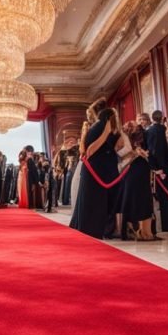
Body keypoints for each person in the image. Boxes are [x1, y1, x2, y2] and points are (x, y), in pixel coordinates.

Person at [71, 101, 122, 239]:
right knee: (95, 201)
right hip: (97, 170)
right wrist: (105, 133)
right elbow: (89, 151)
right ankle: (94, 229)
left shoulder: (100, 128)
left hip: (100, 169)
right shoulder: (100, 127)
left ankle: (102, 229)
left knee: (99, 201)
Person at [122, 118, 157, 241]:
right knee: (140, 199)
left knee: (140, 199)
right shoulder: (127, 138)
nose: (139, 124)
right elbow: (121, 155)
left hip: (137, 169)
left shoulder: (143, 135)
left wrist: (142, 153)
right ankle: (142, 231)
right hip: (134, 169)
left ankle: (144, 231)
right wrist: (136, 153)